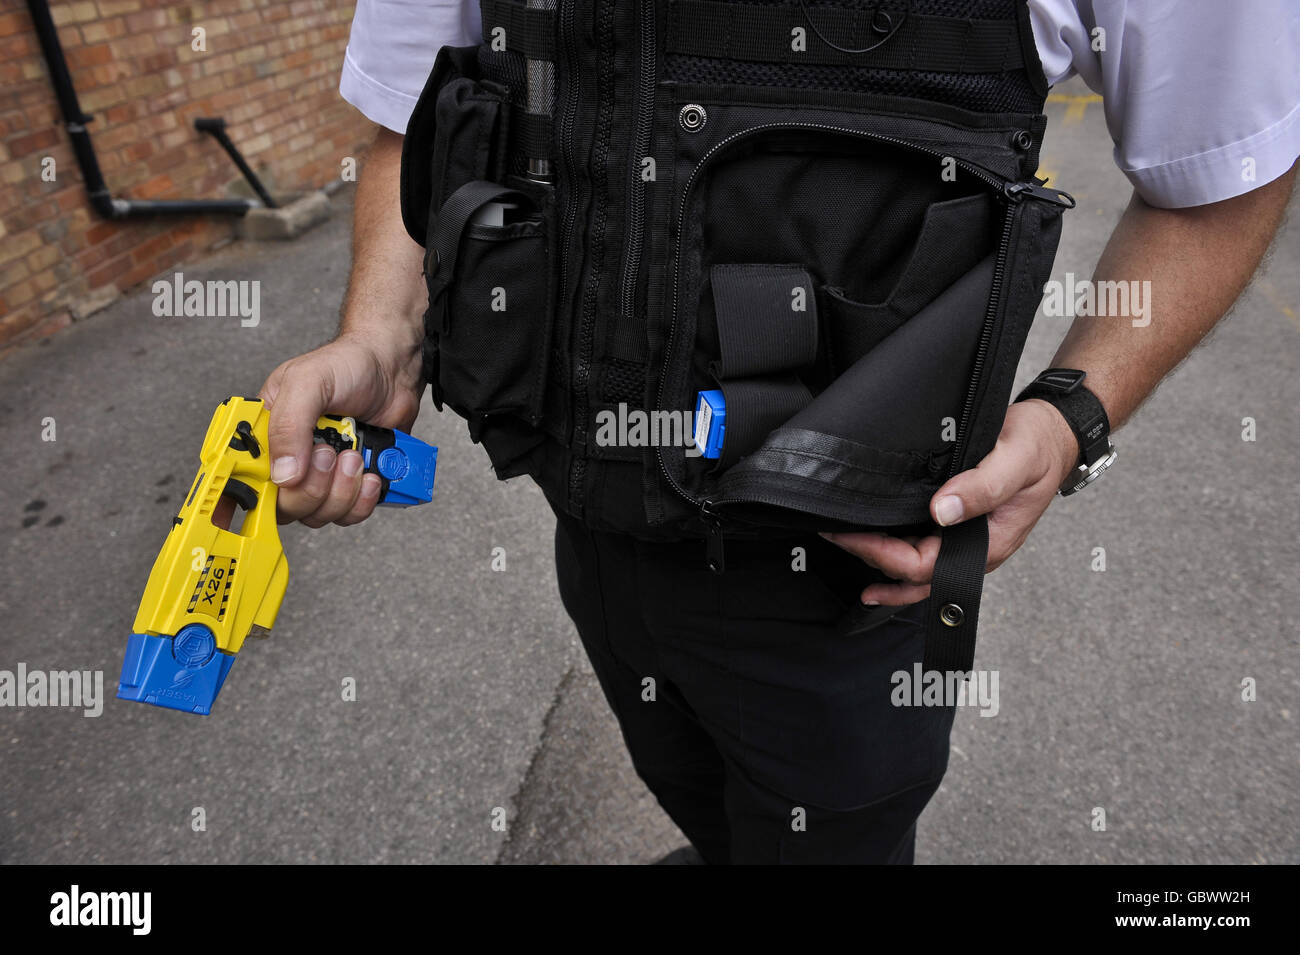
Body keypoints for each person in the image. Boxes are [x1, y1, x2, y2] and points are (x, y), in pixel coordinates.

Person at [257, 0, 1298, 863]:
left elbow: (1225, 171)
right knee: (705, 805)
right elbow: (420, 106)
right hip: (582, 515)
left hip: (844, 576)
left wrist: (1073, 415)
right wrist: (380, 335)